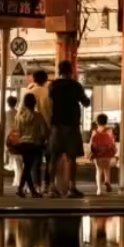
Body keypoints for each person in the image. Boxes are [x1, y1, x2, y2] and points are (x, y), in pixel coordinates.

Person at [48, 60, 90, 198]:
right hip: (71, 125)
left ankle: (51, 187)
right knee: (72, 158)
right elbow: (86, 102)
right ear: (71, 71)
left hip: (56, 126)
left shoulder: (53, 86)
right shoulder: (75, 86)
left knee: (54, 158)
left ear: (59, 71)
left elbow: (49, 104)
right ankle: (72, 187)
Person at [12, 92, 48, 196]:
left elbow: (16, 132)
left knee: (27, 166)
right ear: (34, 103)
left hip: (21, 144)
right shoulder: (38, 116)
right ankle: (20, 189)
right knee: (28, 167)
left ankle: (32, 191)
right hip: (33, 144)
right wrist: (42, 141)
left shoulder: (18, 116)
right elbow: (44, 132)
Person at [89, 114, 117, 195]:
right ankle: (107, 181)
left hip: (98, 154)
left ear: (97, 122)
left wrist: (91, 153)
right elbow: (112, 142)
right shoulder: (109, 130)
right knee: (107, 169)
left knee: (98, 171)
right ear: (106, 121)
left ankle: (99, 190)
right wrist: (114, 151)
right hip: (107, 154)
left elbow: (91, 143)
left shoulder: (95, 131)